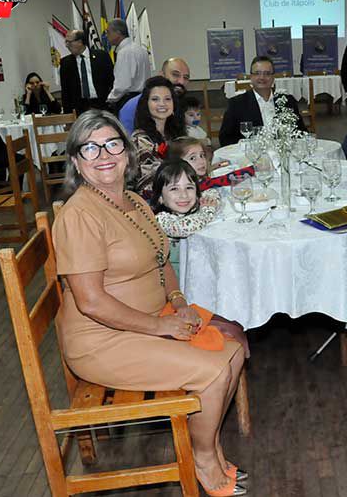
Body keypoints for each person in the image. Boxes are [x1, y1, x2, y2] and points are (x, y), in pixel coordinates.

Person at [53, 110, 247, 496]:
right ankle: (202, 459)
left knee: (235, 352)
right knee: (213, 372)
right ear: (76, 161)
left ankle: (209, 446)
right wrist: (161, 326)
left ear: (126, 153)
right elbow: (91, 302)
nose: (103, 155)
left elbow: (161, 260)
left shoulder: (132, 201)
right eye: (90, 148)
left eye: (112, 144)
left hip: (148, 318)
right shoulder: (79, 216)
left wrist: (178, 302)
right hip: (101, 339)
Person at [218, 56, 306, 147]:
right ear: (251, 77)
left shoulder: (288, 101)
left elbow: (301, 132)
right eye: (257, 73)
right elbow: (225, 138)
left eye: (267, 73)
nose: (262, 77)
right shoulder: (237, 104)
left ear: (273, 77)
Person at [151, 160, 220, 275]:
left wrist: (208, 200)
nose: (184, 195)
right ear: (160, 198)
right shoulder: (161, 219)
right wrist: (207, 211)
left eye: (189, 187)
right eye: (174, 189)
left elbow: (212, 192)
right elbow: (184, 227)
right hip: (177, 275)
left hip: (197, 265)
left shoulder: (193, 206)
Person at [131, 76, 185, 198]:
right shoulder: (141, 139)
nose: (162, 104)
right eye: (155, 99)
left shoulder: (173, 133)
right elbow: (146, 186)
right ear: (146, 104)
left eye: (167, 99)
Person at [119, 57, 191, 134]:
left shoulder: (179, 102)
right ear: (161, 75)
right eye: (175, 75)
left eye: (185, 77)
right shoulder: (135, 105)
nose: (181, 81)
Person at [59, 29, 114, 114]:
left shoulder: (102, 56)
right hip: (80, 108)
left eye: (69, 42)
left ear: (80, 42)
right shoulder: (66, 63)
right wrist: (68, 115)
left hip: (102, 105)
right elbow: (65, 92)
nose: (66, 45)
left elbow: (112, 81)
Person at [106, 19, 151, 111]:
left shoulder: (124, 52)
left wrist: (111, 98)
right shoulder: (141, 50)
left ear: (118, 33)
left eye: (108, 32)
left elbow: (123, 84)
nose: (106, 36)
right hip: (143, 97)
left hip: (128, 100)